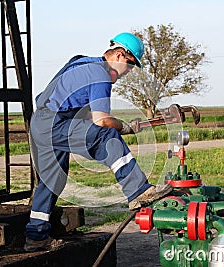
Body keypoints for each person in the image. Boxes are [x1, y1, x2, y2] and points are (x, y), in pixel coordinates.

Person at [24, 32, 172, 252]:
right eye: (131, 66)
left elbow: (65, 101)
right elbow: (101, 121)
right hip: (56, 124)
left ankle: (36, 236)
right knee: (107, 136)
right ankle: (138, 190)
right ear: (121, 56)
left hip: (40, 123)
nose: (128, 72)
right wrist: (125, 127)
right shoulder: (101, 75)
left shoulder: (80, 61)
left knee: (51, 180)